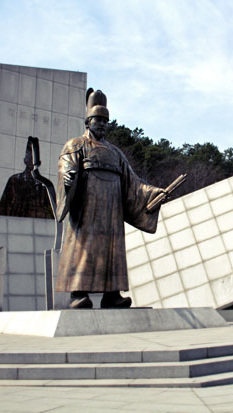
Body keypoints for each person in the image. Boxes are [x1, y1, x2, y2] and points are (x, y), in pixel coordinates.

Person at [55, 89, 164, 309]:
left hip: (112, 211)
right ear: (88, 122)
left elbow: (132, 183)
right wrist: (68, 177)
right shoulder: (76, 145)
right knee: (83, 248)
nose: (102, 124)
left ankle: (112, 295)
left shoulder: (116, 153)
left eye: (106, 121)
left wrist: (152, 193)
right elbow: (66, 167)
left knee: (112, 250)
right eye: (98, 120)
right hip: (87, 209)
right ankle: (78, 294)